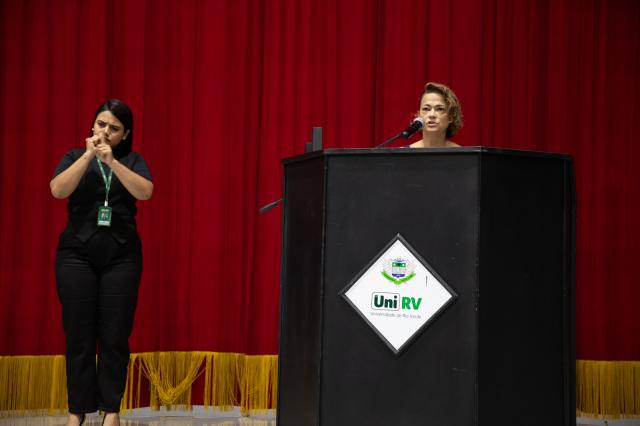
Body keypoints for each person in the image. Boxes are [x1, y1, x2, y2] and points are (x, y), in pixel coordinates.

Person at [50, 99, 153, 426]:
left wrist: (113, 163)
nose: (105, 132)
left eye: (114, 128)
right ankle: (77, 410)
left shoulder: (133, 161)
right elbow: (57, 190)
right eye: (101, 124)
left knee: (114, 335)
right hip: (76, 255)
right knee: (78, 335)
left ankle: (111, 410)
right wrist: (89, 156)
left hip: (121, 257)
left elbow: (146, 192)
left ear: (125, 134)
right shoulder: (73, 156)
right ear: (92, 125)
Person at [409, 82, 463, 148]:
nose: (432, 115)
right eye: (426, 109)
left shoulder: (463, 153)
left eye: (440, 109)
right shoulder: (403, 153)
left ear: (450, 117)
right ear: (419, 115)